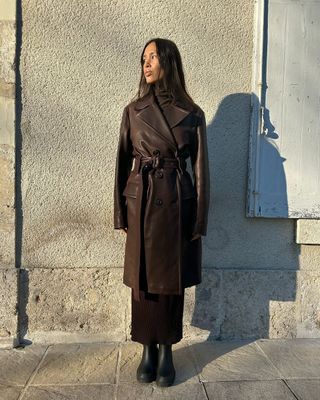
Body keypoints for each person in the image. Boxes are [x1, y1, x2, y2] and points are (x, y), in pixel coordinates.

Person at [114, 38, 210, 387]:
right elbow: (123, 162)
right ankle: (146, 348)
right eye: (143, 58)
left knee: (170, 280)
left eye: (153, 57)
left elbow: (201, 170)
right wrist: (120, 213)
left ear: (169, 61)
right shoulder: (133, 110)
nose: (147, 63)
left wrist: (199, 218)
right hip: (141, 201)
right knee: (142, 280)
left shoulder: (193, 113)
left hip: (176, 202)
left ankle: (167, 349)